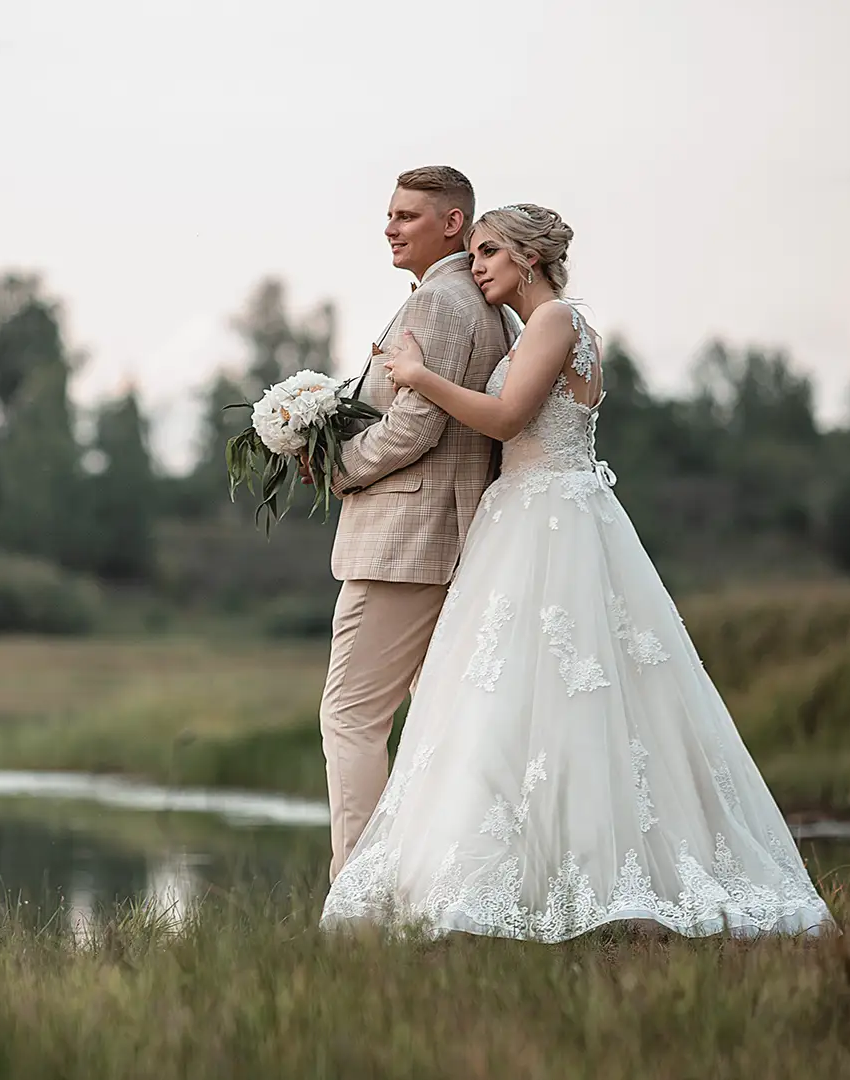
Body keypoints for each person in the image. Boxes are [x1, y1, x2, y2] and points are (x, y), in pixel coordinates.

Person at [320, 203, 833, 940]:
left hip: (546, 519)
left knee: (550, 695)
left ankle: (572, 878)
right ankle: (525, 867)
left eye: (490, 252)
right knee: (527, 701)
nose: (480, 267)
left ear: (529, 256)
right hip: (538, 509)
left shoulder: (557, 318)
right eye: (475, 254)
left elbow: (504, 419)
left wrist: (417, 376)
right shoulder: (545, 327)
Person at [315, 165, 510, 882]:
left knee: (351, 718)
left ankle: (359, 893)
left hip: (407, 540)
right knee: (438, 727)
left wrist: (336, 466)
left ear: (453, 223)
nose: (390, 227)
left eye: (407, 216)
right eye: (389, 216)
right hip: (451, 536)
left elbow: (414, 427)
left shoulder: (439, 304)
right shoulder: (484, 303)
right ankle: (440, 884)